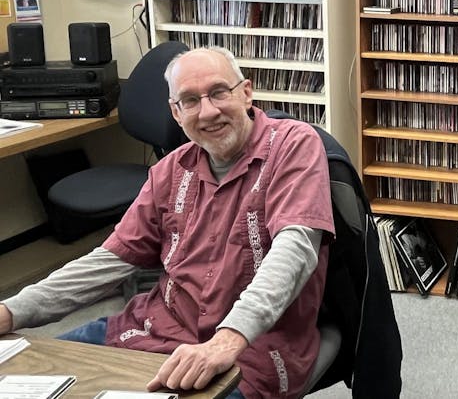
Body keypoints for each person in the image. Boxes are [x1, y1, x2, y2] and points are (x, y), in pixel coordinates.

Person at [0, 46, 335, 399]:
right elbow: (111, 260)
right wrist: (12, 310)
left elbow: (295, 249)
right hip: (154, 327)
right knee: (24, 376)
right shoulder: (170, 171)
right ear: (176, 113)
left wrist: (226, 340)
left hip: (251, 347)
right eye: (190, 101)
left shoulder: (293, 144)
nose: (208, 112)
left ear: (246, 92)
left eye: (219, 92)